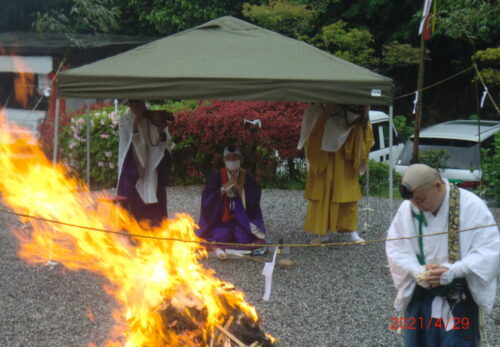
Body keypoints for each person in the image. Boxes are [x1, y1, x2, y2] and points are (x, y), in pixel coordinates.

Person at [386, 163, 499, 346]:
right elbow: (395, 246)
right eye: (414, 201)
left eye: (421, 199)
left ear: (438, 186)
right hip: (420, 298)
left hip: (459, 300)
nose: (418, 206)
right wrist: (415, 270)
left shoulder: (472, 206)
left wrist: (454, 270)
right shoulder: (409, 208)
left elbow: (489, 251)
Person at [297, 103, 374, 244]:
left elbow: (364, 132)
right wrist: (326, 113)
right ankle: (322, 233)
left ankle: (351, 231)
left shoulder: (352, 107)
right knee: (322, 193)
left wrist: (363, 115)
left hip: (345, 157)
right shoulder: (316, 108)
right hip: (323, 158)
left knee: (347, 194)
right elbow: (311, 134)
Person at [197, 145, 267, 259]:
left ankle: (228, 244)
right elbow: (206, 200)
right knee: (220, 237)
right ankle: (220, 246)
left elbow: (254, 201)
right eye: (228, 159)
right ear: (224, 160)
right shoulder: (217, 177)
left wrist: (241, 191)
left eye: (235, 158)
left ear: (241, 159)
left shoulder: (247, 178)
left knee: (243, 238)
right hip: (222, 219)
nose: (232, 161)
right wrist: (224, 188)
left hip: (242, 219)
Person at [117, 100, 174, 226]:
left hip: (152, 165)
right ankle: (133, 232)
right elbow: (126, 145)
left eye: (139, 104)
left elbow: (161, 142)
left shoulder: (152, 118)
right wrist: (136, 125)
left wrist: (161, 128)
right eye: (133, 104)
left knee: (156, 198)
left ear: (143, 104)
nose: (136, 107)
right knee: (133, 199)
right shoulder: (125, 120)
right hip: (134, 166)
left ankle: (156, 231)